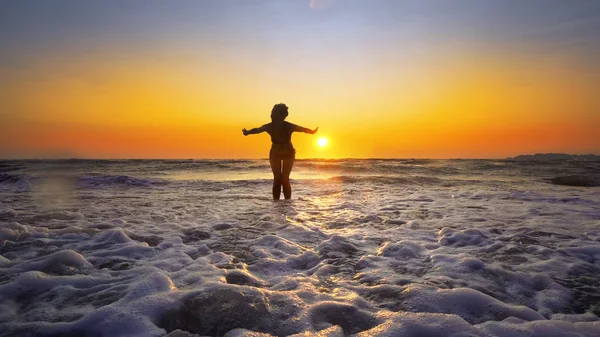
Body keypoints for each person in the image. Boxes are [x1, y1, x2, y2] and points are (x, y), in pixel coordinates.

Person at [242, 103, 318, 200]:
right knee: (277, 179)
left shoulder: (288, 126)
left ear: (281, 116)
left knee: (285, 179)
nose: (271, 115)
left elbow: (301, 129)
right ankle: (276, 203)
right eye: (271, 113)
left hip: (288, 152)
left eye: (273, 113)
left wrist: (312, 131)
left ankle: (287, 203)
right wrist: (247, 132)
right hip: (275, 152)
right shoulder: (269, 126)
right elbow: (257, 130)